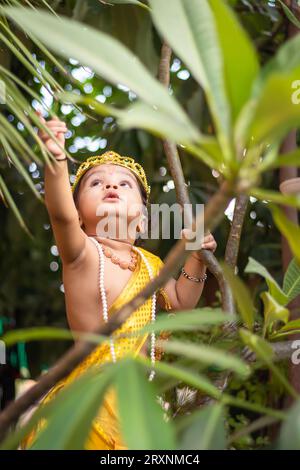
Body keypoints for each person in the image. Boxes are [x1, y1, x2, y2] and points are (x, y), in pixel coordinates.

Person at [21, 114, 217, 449]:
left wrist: (197, 258)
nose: (111, 186)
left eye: (124, 184)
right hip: (89, 409)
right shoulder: (83, 254)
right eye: (96, 183)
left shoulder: (153, 265)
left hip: (140, 409)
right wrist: (55, 158)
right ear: (80, 216)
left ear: (142, 219)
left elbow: (183, 301)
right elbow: (59, 214)